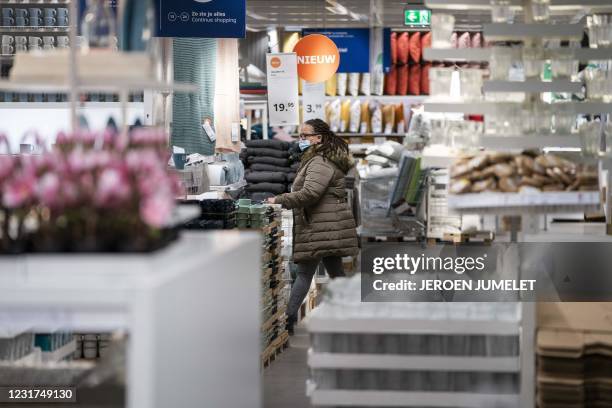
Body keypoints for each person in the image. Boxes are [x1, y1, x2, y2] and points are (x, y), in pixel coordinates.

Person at [267, 119, 359, 335]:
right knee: (332, 273)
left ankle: (287, 319)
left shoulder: (321, 161)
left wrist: (279, 200)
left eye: (305, 136)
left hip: (320, 223)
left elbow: (310, 193)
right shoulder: (321, 158)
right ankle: (351, 315)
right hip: (324, 223)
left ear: (319, 138)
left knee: (305, 272)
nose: (302, 140)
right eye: (300, 136)